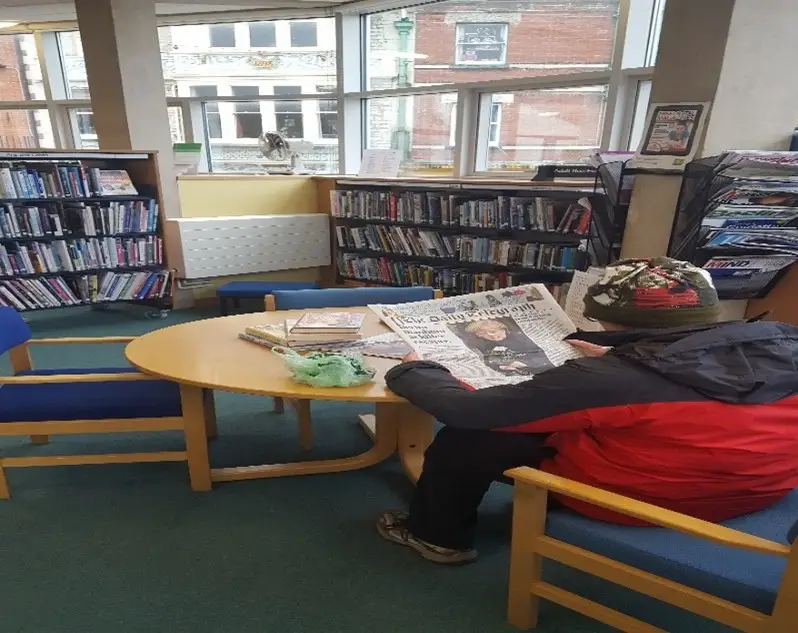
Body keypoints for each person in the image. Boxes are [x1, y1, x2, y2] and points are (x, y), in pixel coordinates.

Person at [376, 257, 798, 564]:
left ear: (611, 321)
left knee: (470, 438)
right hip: (763, 492)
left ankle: (437, 537)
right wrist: (628, 352)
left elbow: (466, 410)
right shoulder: (784, 344)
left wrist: (413, 369)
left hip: (646, 501)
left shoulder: (608, 380)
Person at [451, 318, 553, 376]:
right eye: (483, 334)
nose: (490, 336)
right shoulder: (487, 345)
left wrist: (524, 364)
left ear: (503, 328)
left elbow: (543, 355)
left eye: (492, 331)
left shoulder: (521, 338)